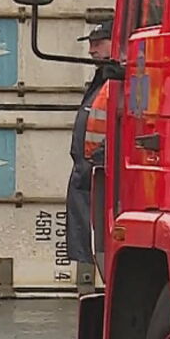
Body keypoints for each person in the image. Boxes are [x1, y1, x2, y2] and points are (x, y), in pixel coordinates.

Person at [66, 20, 112, 266]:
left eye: (98, 43)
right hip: (90, 176)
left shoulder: (117, 81)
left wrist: (97, 162)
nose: (91, 50)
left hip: (101, 177)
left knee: (102, 247)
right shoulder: (103, 79)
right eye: (90, 44)